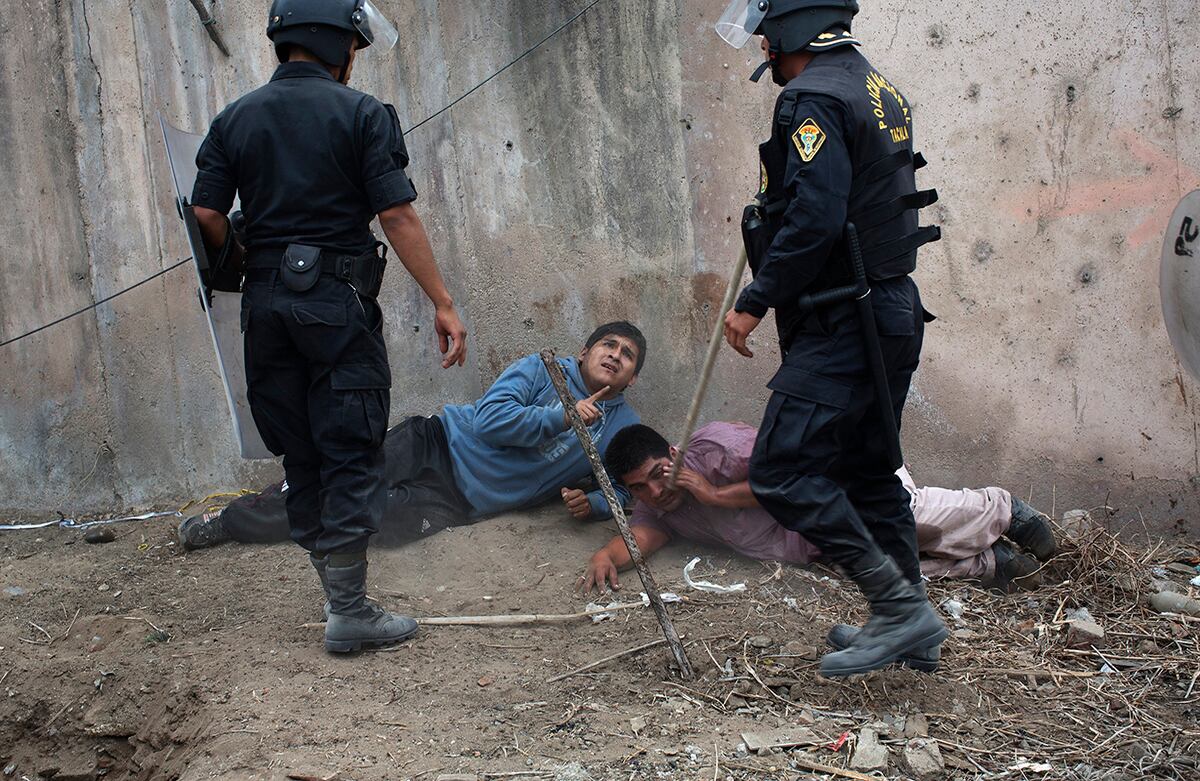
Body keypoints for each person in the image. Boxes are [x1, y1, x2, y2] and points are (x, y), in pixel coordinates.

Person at [190, 0, 468, 653]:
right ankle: (348, 611)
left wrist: (242, 255)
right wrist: (443, 301)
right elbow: (397, 216)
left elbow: (205, 212)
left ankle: (341, 597)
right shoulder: (361, 113)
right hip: (335, 306)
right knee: (348, 445)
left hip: (264, 308)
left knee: (303, 450)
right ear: (338, 43)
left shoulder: (234, 118)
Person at [715, 0, 946, 676]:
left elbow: (815, 216)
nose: (761, 45)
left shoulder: (812, 97)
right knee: (870, 469)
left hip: (843, 315)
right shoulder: (876, 87)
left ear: (793, 28)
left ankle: (899, 608)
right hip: (891, 306)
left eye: (765, 31)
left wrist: (756, 300)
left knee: (781, 470)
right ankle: (911, 622)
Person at [580, 423, 1057, 671]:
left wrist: (715, 493)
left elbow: (791, 471)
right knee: (886, 568)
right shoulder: (662, 508)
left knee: (904, 520)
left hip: (845, 488)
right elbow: (642, 535)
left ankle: (1003, 510)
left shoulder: (718, 450)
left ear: (674, 455)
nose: (655, 492)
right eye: (639, 488)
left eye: (657, 475)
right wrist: (606, 555)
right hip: (814, 543)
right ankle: (990, 562)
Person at [178, 323, 647, 551]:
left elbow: (637, 485)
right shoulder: (542, 369)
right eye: (608, 345)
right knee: (338, 484)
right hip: (437, 442)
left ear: (631, 379)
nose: (615, 356)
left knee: (369, 524)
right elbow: (490, 421)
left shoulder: (621, 426)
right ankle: (235, 521)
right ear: (585, 350)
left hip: (460, 503)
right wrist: (562, 418)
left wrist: (599, 505)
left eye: (627, 356)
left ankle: (293, 525)